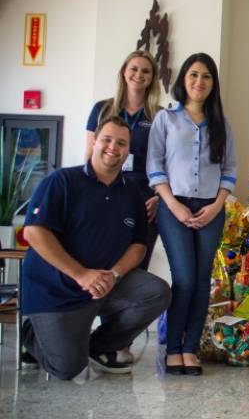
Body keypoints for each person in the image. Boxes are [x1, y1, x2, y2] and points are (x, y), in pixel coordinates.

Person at [21, 117, 171, 380]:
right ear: (94, 142)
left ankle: (99, 347)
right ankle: (32, 334)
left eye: (121, 143)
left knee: (156, 292)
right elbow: (34, 232)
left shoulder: (132, 193)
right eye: (107, 140)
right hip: (56, 291)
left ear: (128, 150)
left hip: (104, 285)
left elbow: (138, 246)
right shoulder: (62, 181)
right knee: (67, 369)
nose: (113, 147)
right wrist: (81, 275)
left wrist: (114, 275)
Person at [147, 52, 237, 376]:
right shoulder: (166, 119)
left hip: (211, 208)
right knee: (184, 278)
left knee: (201, 281)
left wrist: (216, 206)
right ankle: (173, 349)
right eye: (194, 75)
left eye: (206, 76)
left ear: (213, 84)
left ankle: (190, 349)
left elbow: (229, 169)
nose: (200, 81)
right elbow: (154, 166)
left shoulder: (221, 123)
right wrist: (174, 205)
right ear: (184, 79)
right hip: (174, 207)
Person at [84, 50, 162, 364]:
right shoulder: (102, 109)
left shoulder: (158, 115)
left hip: (144, 201)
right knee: (107, 265)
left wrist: (159, 196)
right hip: (107, 196)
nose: (139, 75)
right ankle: (100, 337)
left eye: (146, 71)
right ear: (124, 72)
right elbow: (88, 155)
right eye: (134, 69)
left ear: (152, 78)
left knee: (135, 270)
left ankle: (119, 341)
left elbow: (166, 162)